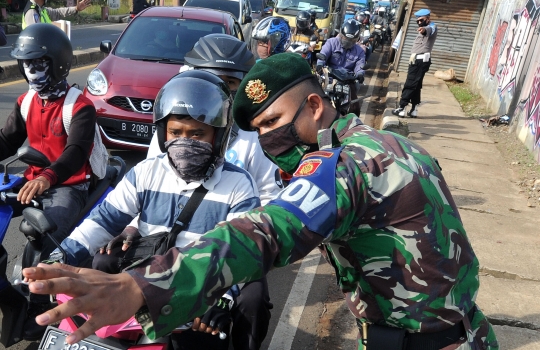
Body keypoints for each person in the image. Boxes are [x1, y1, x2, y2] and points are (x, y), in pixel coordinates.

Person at [24, 52, 499, 350]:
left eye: (273, 122)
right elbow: (106, 218)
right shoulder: (392, 145)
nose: (268, 140)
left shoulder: (348, 166)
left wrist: (140, 289)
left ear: (315, 106)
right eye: (258, 130)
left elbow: (267, 230)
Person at [52, 70, 272, 350]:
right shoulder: (145, 172)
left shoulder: (239, 184)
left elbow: (239, 250)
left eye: (197, 134)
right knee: (102, 260)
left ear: (219, 137)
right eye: (176, 133)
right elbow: (104, 220)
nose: (185, 142)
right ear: (162, 133)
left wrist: (223, 297)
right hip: (149, 270)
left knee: (252, 295)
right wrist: (59, 258)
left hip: (205, 276)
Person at [3, 23, 98, 341]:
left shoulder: (79, 107)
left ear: (57, 64)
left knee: (44, 233)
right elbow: (6, 140)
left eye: (37, 64)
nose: (30, 71)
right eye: (25, 64)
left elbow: (75, 153)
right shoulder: (27, 102)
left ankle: (37, 305)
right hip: (32, 179)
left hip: (69, 184)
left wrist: (47, 177)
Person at [147, 33, 282, 205]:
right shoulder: (173, 130)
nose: (220, 90)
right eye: (210, 80)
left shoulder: (255, 137)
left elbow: (267, 196)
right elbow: (149, 180)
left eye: (230, 82)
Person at [392, 8, 437, 118]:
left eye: (421, 19)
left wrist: (423, 30)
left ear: (428, 18)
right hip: (417, 60)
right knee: (416, 86)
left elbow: (428, 30)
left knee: (410, 83)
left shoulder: (432, 26)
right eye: (417, 20)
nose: (419, 22)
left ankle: (402, 108)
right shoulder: (427, 26)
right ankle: (414, 109)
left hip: (420, 61)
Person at [316, 19, 365, 115]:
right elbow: (323, 54)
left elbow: (360, 65)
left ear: (356, 39)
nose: (348, 42)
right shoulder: (331, 42)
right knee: (315, 96)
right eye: (345, 39)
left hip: (348, 80)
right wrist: (320, 65)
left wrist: (360, 74)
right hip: (329, 76)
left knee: (355, 108)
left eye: (351, 40)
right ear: (341, 34)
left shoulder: (359, 51)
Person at [22, 0, 92, 29]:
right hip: (37, 55)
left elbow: (58, 12)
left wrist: (76, 8)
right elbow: (36, 35)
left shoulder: (41, 9)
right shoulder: (32, 12)